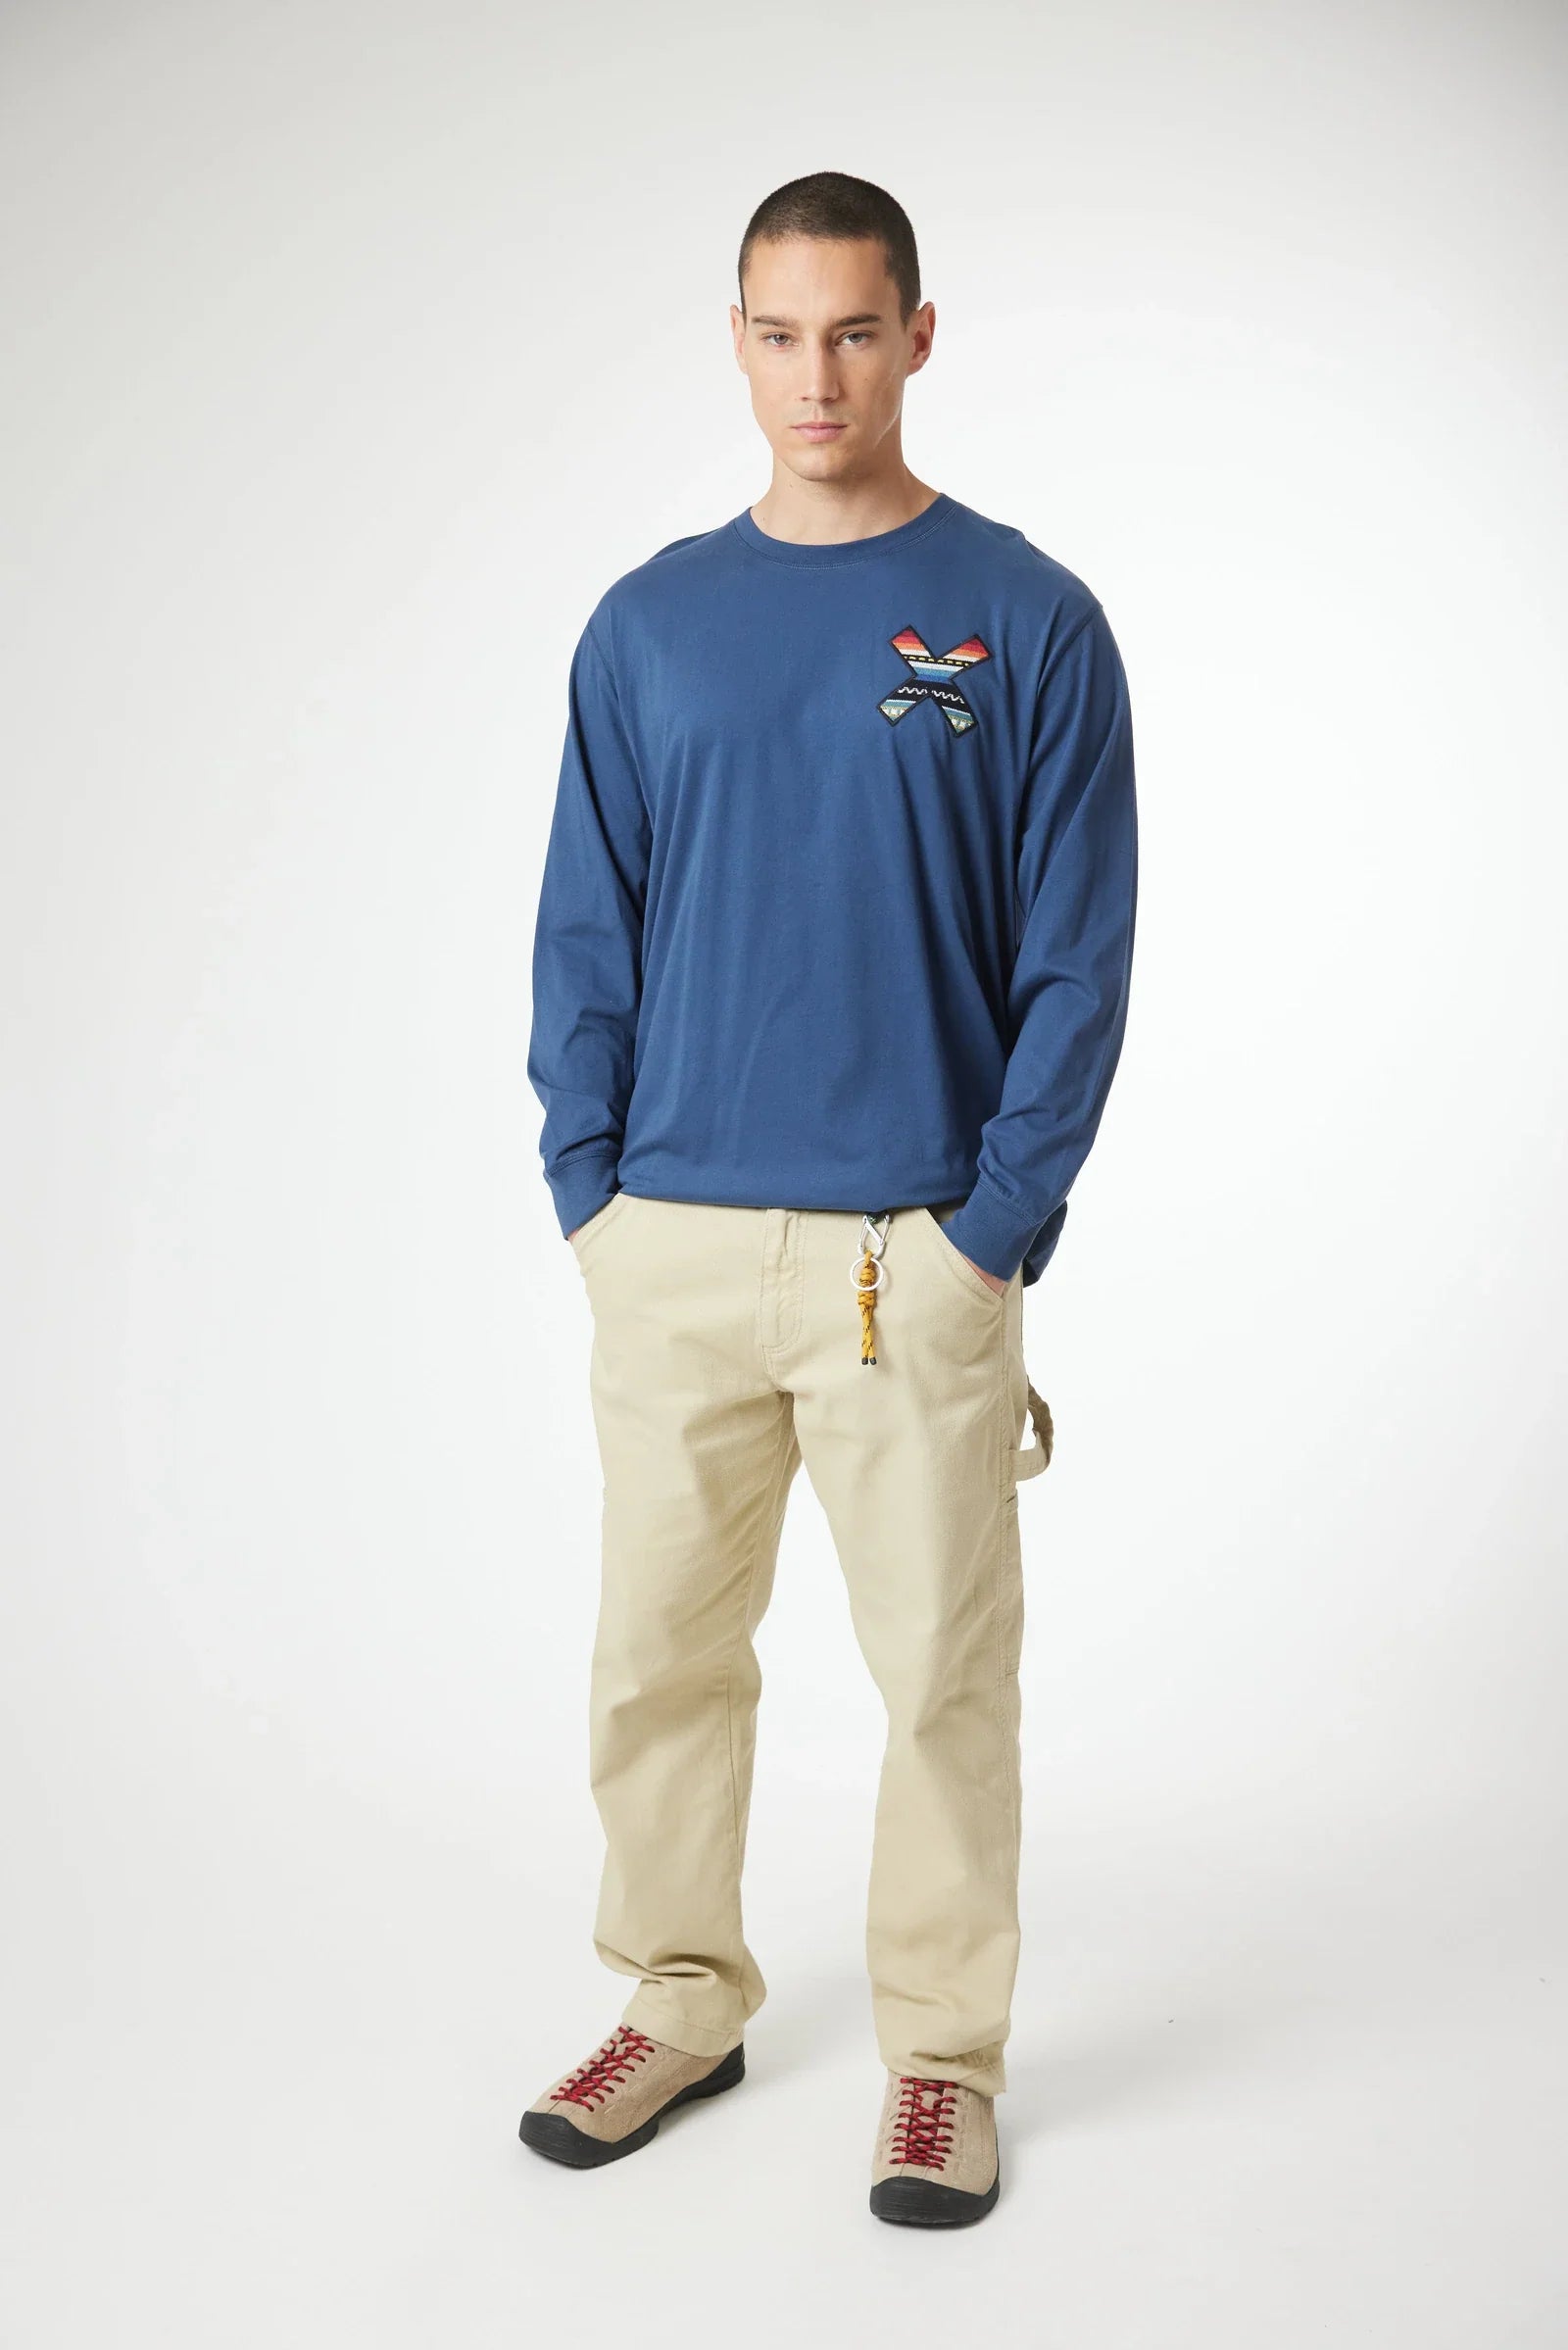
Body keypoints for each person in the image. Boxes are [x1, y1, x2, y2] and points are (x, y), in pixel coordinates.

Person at [520, 170, 1138, 2228]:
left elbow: (1075, 960)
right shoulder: (648, 624)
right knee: (654, 1662)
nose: (816, 376)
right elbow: (585, 927)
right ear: (735, 341)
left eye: (854, 332)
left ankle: (940, 2062)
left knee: (941, 1680)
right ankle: (678, 1994)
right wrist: (591, 1193)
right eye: (779, 334)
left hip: (911, 1262)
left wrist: (990, 1232)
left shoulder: (1023, 618)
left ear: (917, 338)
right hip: (673, 1248)